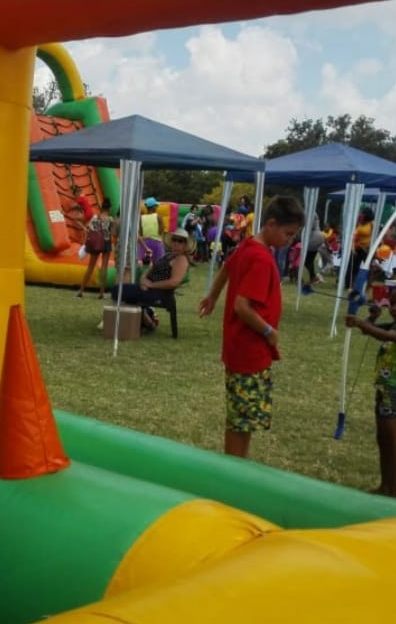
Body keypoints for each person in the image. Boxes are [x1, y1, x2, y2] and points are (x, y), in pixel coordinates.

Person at [198, 195, 305, 458]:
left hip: (240, 349)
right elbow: (242, 307)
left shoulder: (248, 246)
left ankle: (238, 463)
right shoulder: (260, 259)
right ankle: (234, 468)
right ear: (271, 224)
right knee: (241, 421)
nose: (290, 240)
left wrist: (213, 296)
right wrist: (269, 331)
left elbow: (226, 269)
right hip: (249, 351)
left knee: (240, 417)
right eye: (288, 234)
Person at [345, 283, 396, 497]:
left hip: (395, 392)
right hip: (384, 390)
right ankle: (385, 486)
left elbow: (388, 336)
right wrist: (371, 318)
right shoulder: (395, 325)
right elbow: (371, 330)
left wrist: (361, 322)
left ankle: (394, 494)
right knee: (383, 442)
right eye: (392, 304)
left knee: (393, 445)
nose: (395, 308)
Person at [110, 227, 194, 331]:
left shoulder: (181, 259)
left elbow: (173, 282)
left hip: (160, 293)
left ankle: (146, 320)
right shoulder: (168, 256)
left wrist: (151, 285)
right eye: (174, 240)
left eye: (180, 241)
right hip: (149, 289)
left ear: (185, 245)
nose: (176, 243)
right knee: (119, 290)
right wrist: (143, 280)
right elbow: (150, 269)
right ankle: (146, 319)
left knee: (117, 291)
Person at [76, 198, 117, 299]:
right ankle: (101, 293)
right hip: (106, 243)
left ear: (101, 207)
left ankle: (81, 290)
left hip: (95, 244)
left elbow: (89, 229)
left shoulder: (95, 217)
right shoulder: (110, 219)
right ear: (109, 208)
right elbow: (113, 233)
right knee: (104, 268)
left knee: (90, 267)